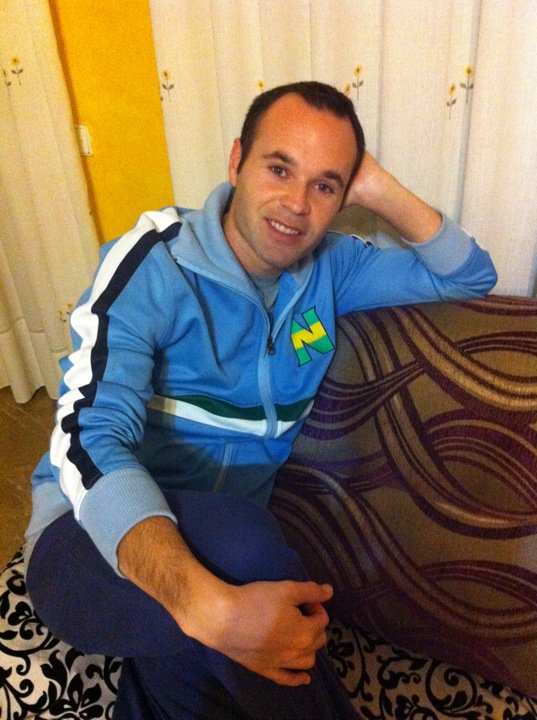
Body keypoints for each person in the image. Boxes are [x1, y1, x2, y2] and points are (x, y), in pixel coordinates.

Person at [25, 81, 497, 719]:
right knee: (250, 552)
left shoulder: (333, 269)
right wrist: (206, 605)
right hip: (85, 537)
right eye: (279, 169)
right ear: (236, 162)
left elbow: (469, 275)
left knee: (203, 653)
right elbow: (89, 436)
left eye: (325, 185)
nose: (297, 204)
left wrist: (375, 185)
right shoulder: (155, 263)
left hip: (224, 542)